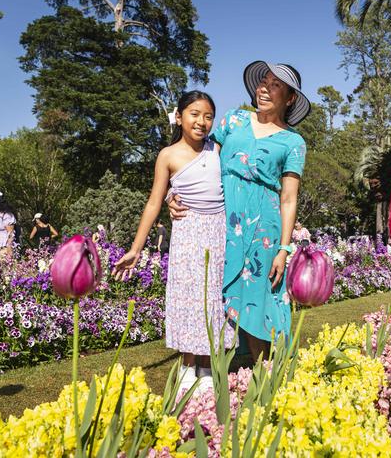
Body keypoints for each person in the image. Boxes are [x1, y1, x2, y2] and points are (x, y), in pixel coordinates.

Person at [169, 61, 310, 363]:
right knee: (216, 293)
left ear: (290, 98)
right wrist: (174, 191)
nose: (264, 88)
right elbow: (201, 164)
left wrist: (284, 249)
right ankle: (216, 367)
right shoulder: (233, 120)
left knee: (260, 298)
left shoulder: (293, 142)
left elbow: (288, 198)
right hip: (222, 223)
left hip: (264, 232)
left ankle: (266, 374)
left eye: (275, 85)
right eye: (264, 81)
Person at [112, 90, 234, 393]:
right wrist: (136, 248)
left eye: (208, 116)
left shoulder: (218, 148)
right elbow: (154, 201)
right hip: (188, 231)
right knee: (188, 296)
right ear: (179, 117)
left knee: (212, 298)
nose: (201, 121)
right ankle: (187, 365)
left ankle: (206, 367)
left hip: (218, 230)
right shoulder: (168, 155)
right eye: (194, 114)